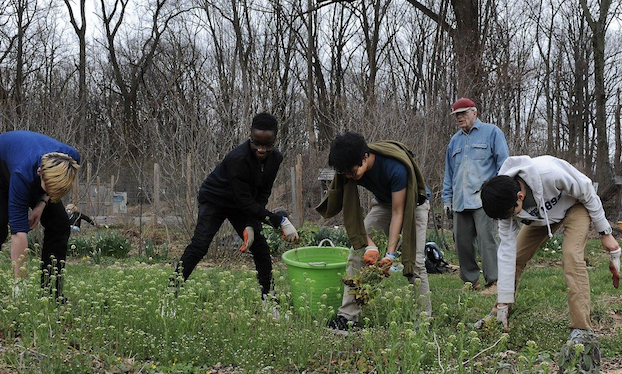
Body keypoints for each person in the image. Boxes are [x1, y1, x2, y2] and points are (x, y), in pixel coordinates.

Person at [478, 155, 621, 341]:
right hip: (542, 219)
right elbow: (506, 253)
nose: (510, 218)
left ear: (519, 196)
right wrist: (503, 305)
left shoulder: (549, 173)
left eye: (512, 213)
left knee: (572, 256)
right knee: (515, 258)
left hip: (575, 205)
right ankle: (499, 314)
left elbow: (586, 190)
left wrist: (605, 233)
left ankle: (582, 329)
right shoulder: (504, 202)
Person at [171, 112, 299, 301]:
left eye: (267, 145)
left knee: (261, 249)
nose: (261, 150)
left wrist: (251, 223)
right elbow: (245, 200)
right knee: (199, 246)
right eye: (256, 143)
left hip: (243, 204)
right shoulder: (238, 159)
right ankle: (170, 294)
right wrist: (279, 221)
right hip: (216, 199)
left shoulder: (275, 159)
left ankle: (269, 299)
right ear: (250, 136)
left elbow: (262, 194)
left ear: (275, 139)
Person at [317, 132, 431, 334]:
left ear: (365, 157)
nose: (350, 177)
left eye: (353, 172)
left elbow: (399, 212)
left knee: (416, 261)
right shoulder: (347, 168)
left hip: (415, 203)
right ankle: (347, 317)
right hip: (383, 202)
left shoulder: (395, 167)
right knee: (356, 252)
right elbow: (352, 217)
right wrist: (369, 244)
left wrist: (390, 254)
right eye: (347, 175)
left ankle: (423, 322)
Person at [0, 130, 81, 302]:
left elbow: (49, 190)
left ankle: (51, 294)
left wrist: (42, 203)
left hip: (25, 164)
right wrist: (20, 283)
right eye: (46, 188)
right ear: (40, 172)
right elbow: (19, 232)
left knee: (60, 224)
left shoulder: (72, 161)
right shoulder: (22, 174)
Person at [442, 98, 509, 294]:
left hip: (484, 200)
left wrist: (498, 194)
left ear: (474, 112)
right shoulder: (454, 141)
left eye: (463, 113)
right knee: (462, 243)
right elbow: (449, 173)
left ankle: (494, 282)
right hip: (460, 201)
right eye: (457, 115)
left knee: (487, 240)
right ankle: (471, 282)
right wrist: (447, 200)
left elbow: (504, 165)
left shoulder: (492, 133)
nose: (460, 117)